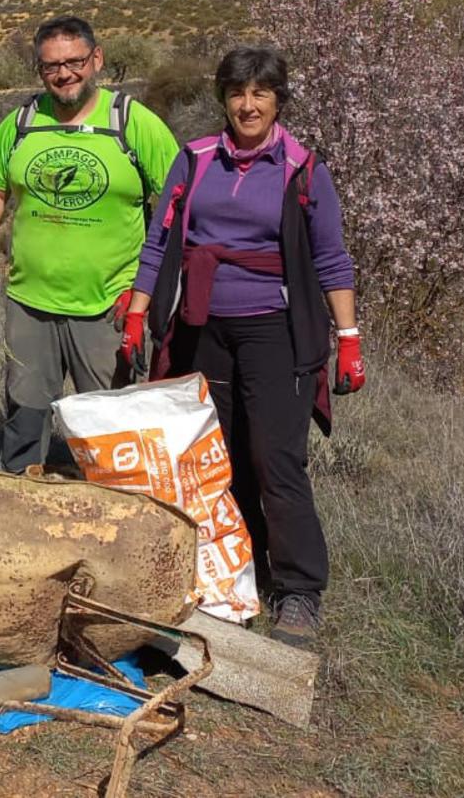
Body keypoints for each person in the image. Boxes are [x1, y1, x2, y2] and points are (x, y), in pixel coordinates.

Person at [124, 46, 364, 647]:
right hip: (204, 329)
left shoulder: (301, 168)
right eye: (236, 93)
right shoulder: (197, 159)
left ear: (278, 99)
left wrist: (349, 339)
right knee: (218, 461)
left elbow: (331, 258)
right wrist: (137, 313)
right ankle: (233, 576)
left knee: (276, 461)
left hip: (275, 332)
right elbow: (158, 244)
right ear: (223, 99)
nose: (247, 104)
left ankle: (299, 591)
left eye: (260, 93)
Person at [0, 16, 179, 475]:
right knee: (23, 421)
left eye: (75, 62)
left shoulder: (133, 123)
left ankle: (118, 512)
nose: (65, 74)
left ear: (97, 59)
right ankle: (21, 513)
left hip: (108, 306)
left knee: (113, 429)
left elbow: (177, 207)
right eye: (52, 66)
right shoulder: (21, 123)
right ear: (39, 70)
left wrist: (146, 291)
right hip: (30, 303)